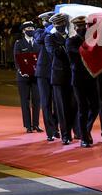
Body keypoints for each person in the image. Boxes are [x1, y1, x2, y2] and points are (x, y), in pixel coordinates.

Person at [66, 16, 99, 147]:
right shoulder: (71, 41)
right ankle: (84, 137)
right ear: (75, 28)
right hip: (78, 79)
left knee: (96, 106)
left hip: (91, 77)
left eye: (83, 27)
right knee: (83, 108)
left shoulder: (91, 41)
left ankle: (86, 129)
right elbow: (79, 53)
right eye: (79, 27)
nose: (81, 29)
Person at [45, 13, 77, 145]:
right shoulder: (50, 38)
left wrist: (66, 48)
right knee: (62, 108)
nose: (60, 26)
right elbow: (55, 53)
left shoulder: (71, 38)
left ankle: (75, 131)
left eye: (62, 23)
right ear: (54, 25)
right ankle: (65, 135)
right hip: (59, 77)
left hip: (72, 76)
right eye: (58, 24)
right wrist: (67, 49)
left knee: (74, 106)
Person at [13, 21, 42, 133]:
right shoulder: (19, 43)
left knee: (37, 101)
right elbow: (17, 59)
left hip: (35, 76)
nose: (31, 30)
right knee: (25, 101)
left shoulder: (38, 43)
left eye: (32, 27)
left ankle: (36, 124)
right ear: (24, 30)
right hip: (23, 76)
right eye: (28, 28)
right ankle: (28, 126)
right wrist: (21, 70)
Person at [34, 11, 59, 141]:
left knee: (57, 101)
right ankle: (50, 131)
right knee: (46, 102)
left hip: (56, 71)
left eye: (50, 20)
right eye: (46, 21)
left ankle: (56, 126)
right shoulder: (39, 31)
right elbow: (38, 40)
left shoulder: (57, 32)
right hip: (43, 72)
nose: (48, 22)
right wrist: (48, 29)